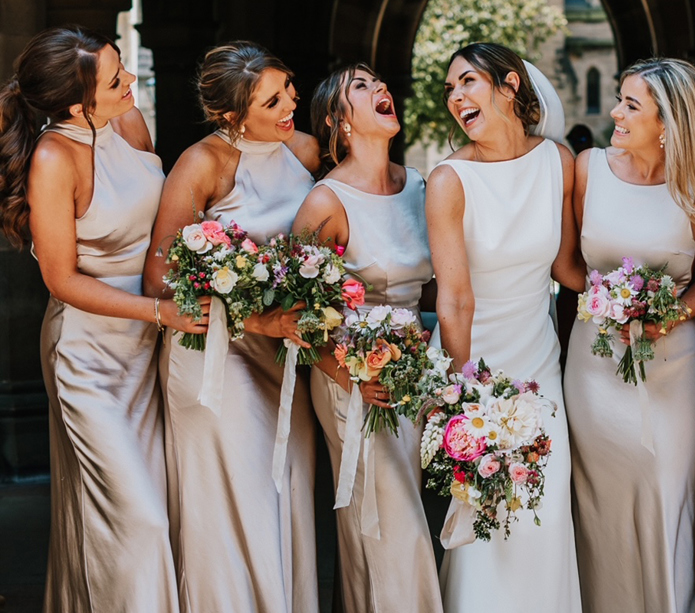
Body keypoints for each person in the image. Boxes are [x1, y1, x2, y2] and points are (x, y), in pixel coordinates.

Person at [0, 26, 206, 612]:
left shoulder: (130, 123)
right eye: (115, 79)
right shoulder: (52, 157)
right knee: (136, 518)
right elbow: (61, 279)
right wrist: (160, 310)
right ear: (74, 102)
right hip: (86, 357)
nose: (131, 83)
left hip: (145, 349)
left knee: (147, 513)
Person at [142, 41, 321, 612]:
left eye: (288, 87)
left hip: (284, 355)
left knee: (285, 495)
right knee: (235, 502)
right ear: (231, 115)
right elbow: (159, 277)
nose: (289, 103)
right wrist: (252, 313)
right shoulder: (204, 162)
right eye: (271, 101)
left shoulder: (307, 149)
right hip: (217, 358)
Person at [562, 58, 695, 613]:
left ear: (668, 121)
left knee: (666, 498)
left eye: (630, 104)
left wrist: (659, 318)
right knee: (600, 506)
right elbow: (567, 264)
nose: (615, 112)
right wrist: (605, 305)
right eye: (619, 98)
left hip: (673, 368)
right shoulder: (588, 169)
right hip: (594, 367)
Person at [427, 42, 583, 612]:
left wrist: (634, 299)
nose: (456, 97)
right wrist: (460, 397)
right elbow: (455, 301)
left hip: (541, 367)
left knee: (541, 514)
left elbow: (566, 268)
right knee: (485, 518)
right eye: (450, 89)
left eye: (467, 81)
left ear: (510, 85)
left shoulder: (558, 162)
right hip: (480, 370)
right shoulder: (449, 180)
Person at [292, 63, 442, 613]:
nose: (381, 88)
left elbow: (434, 293)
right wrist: (352, 373)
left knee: (392, 521)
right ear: (338, 120)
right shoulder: (326, 202)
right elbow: (297, 316)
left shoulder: (419, 186)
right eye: (361, 86)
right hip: (352, 382)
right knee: (386, 524)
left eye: (380, 81)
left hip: (412, 378)